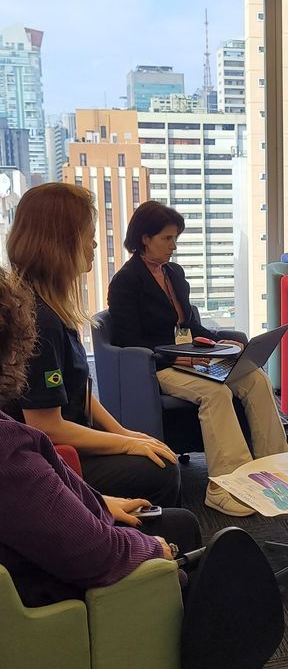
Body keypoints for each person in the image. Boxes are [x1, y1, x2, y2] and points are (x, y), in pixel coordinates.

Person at [0, 266, 283, 669]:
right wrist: (156, 551)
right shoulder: (7, 453)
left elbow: (48, 493)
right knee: (231, 574)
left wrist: (99, 502)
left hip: (40, 563)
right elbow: (95, 553)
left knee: (179, 520)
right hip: (57, 602)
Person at [108, 201, 288, 517]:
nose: (173, 246)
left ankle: (275, 467)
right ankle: (226, 487)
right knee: (215, 392)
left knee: (255, 378)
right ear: (145, 239)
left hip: (192, 359)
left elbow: (190, 325)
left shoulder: (173, 273)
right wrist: (177, 356)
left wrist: (217, 341)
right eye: (167, 238)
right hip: (158, 366)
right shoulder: (126, 281)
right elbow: (129, 341)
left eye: (175, 238)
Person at [5, 183, 180, 507]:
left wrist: (124, 433)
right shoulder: (38, 321)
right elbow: (46, 427)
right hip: (47, 458)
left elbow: (79, 392)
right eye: (88, 236)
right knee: (161, 470)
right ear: (60, 243)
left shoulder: (53, 307)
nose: (94, 244)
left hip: (65, 440)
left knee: (152, 450)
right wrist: (125, 445)